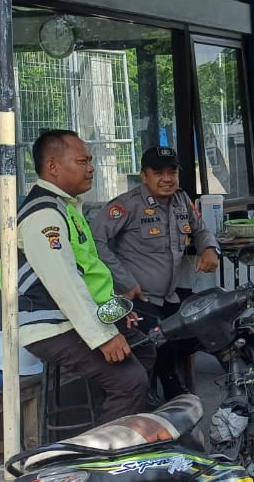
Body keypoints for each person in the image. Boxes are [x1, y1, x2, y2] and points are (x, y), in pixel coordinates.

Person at [14, 129, 156, 424]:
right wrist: (103, 336)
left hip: (70, 317)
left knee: (144, 348)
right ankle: (107, 449)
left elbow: (87, 272)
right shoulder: (43, 215)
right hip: (49, 324)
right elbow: (64, 284)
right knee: (129, 381)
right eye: (82, 161)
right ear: (53, 167)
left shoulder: (65, 207)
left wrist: (114, 309)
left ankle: (129, 425)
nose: (91, 168)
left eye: (89, 161)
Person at [93, 146, 220, 401]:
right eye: (158, 173)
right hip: (135, 299)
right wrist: (124, 281)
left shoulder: (181, 200)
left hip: (168, 296)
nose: (167, 179)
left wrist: (209, 248)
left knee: (209, 318)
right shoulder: (127, 205)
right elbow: (95, 241)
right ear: (144, 176)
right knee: (158, 335)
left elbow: (200, 229)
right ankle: (166, 388)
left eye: (172, 172)